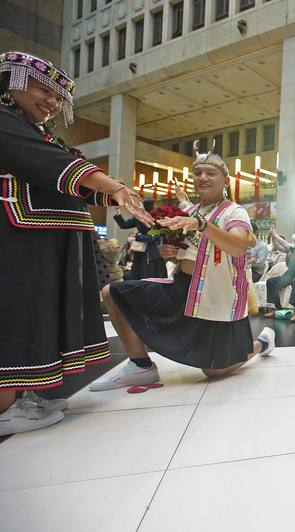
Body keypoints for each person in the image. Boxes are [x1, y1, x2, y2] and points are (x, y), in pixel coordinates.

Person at [0, 51, 153, 435]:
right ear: (13, 80)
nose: (52, 103)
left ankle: (25, 398)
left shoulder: (37, 131)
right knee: (20, 317)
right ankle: (7, 407)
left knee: (40, 314)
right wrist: (116, 188)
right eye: (43, 91)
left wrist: (115, 195)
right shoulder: (5, 122)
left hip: (44, 241)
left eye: (58, 98)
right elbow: (51, 165)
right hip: (19, 240)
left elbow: (72, 178)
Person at [89, 141, 275, 392]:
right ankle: (140, 364)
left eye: (211, 173)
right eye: (198, 173)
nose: (203, 178)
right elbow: (192, 254)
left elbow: (238, 247)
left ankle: (262, 342)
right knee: (111, 293)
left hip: (213, 297)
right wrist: (171, 254)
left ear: (225, 181)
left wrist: (200, 225)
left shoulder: (234, 212)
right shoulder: (194, 211)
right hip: (182, 289)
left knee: (214, 370)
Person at [113, 199, 167, 280]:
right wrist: (117, 210)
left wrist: (139, 235)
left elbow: (153, 237)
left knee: (149, 276)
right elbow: (123, 225)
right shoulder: (138, 217)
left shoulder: (157, 219)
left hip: (152, 252)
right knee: (137, 274)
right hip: (140, 250)